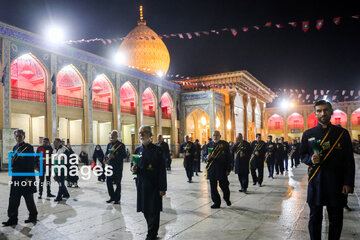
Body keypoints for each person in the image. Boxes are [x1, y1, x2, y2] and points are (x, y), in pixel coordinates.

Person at [300, 100, 355, 240]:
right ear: (315, 113)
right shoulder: (308, 134)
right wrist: (310, 160)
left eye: (325, 110)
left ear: (331, 111)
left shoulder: (342, 134)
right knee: (314, 218)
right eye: (319, 111)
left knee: (336, 219)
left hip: (336, 183)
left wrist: (348, 183)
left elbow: (349, 160)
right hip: (316, 181)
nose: (322, 113)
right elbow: (302, 155)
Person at [132, 126, 167, 240]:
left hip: (154, 185)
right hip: (142, 185)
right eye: (140, 133)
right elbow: (134, 165)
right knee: (145, 209)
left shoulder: (157, 150)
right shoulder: (138, 150)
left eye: (144, 132)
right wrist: (133, 169)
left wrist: (163, 187)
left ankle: (151, 235)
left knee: (154, 210)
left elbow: (162, 170)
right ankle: (152, 231)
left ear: (150, 134)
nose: (141, 135)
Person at [2, 129, 38, 226]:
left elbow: (30, 163)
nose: (18, 138)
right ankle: (12, 218)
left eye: (20, 136)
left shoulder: (28, 147)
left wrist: (29, 178)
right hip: (16, 177)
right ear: (15, 137)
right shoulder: (15, 147)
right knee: (13, 199)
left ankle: (33, 216)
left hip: (26, 178)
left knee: (29, 198)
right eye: (17, 136)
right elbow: (14, 163)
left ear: (24, 137)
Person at [206, 130, 232, 208]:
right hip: (212, 168)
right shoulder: (209, 145)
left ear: (220, 136)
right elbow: (204, 155)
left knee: (224, 186)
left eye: (217, 135)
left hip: (222, 169)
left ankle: (226, 198)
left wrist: (228, 169)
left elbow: (229, 158)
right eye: (214, 135)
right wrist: (206, 157)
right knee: (213, 187)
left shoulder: (224, 144)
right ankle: (216, 203)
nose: (215, 137)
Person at [105, 130, 127, 204]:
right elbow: (105, 154)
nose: (112, 136)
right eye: (111, 135)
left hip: (118, 167)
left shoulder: (121, 145)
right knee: (108, 181)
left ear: (117, 136)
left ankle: (117, 199)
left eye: (113, 135)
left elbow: (124, 155)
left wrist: (115, 156)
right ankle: (112, 196)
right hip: (110, 166)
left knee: (118, 183)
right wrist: (107, 156)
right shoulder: (109, 145)